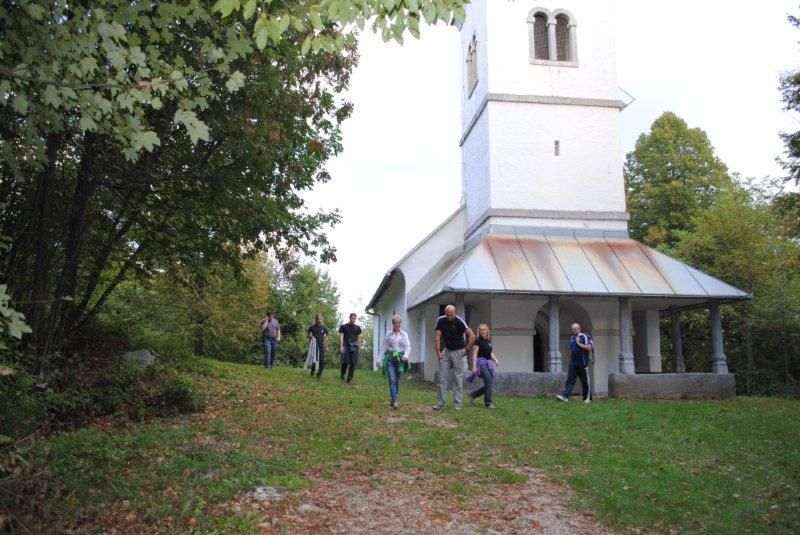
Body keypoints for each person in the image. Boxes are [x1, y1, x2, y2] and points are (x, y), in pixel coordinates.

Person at [433, 305, 475, 411]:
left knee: (457, 378)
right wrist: (438, 352)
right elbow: (437, 336)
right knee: (442, 377)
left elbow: (472, 335)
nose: (449, 317)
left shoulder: (460, 321)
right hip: (446, 351)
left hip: (458, 351)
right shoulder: (441, 320)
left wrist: (466, 350)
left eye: (451, 315)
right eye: (447, 315)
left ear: (455, 312)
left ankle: (457, 403)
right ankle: (440, 403)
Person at [380, 315, 411, 409]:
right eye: (395, 324)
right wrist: (379, 359)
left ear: (400, 324)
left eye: (398, 323)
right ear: (392, 324)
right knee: (392, 380)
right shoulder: (388, 334)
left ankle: (393, 400)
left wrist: (406, 356)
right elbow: (384, 347)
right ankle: (395, 400)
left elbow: (408, 346)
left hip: (400, 360)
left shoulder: (404, 334)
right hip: (390, 360)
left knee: (397, 380)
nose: (397, 325)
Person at [556, 323, 592, 403]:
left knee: (585, 381)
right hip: (573, 363)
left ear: (579, 329)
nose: (573, 331)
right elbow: (572, 350)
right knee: (570, 380)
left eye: (575, 329)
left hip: (583, 362)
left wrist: (579, 344)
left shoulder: (585, 336)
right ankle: (564, 396)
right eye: (572, 329)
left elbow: (589, 347)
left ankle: (587, 398)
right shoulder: (571, 338)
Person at [468, 323, 500, 409]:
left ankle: (473, 394)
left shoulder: (488, 341)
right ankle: (488, 403)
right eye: (481, 330)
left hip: (488, 363)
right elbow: (474, 354)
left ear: (487, 331)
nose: (483, 331)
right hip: (481, 363)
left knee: (488, 383)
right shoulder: (477, 341)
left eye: (484, 330)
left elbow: (490, 353)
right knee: (489, 380)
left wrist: (495, 359)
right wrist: (474, 366)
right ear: (479, 331)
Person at [338, 312, 363, 385]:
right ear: (349, 318)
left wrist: (359, 347)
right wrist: (341, 346)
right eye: (352, 318)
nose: (353, 320)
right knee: (345, 362)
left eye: (354, 319)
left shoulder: (357, 328)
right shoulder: (344, 327)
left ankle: (350, 378)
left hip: (355, 347)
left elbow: (359, 338)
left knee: (353, 363)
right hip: (346, 346)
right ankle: (343, 373)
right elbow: (341, 336)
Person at [306, 314, 330, 379]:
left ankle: (319, 374)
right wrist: (310, 336)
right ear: (316, 319)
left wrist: (327, 346)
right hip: (314, 346)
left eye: (320, 319)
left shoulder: (324, 328)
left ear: (322, 320)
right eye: (318, 319)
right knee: (314, 360)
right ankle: (312, 371)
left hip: (321, 346)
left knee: (321, 360)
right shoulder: (312, 327)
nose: (319, 320)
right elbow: (308, 335)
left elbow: (326, 338)